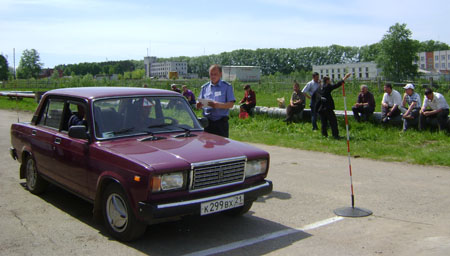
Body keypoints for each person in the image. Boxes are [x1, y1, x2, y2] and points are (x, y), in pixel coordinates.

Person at [197, 64, 236, 137]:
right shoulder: (205, 88)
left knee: (221, 147)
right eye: (211, 74)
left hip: (221, 123)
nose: (213, 76)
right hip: (207, 123)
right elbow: (199, 102)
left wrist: (217, 105)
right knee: (208, 146)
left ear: (220, 74)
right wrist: (199, 105)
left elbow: (231, 104)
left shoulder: (227, 86)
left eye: (215, 74)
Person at [315, 73, 351, 139]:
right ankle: (335, 135)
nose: (330, 82)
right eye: (329, 80)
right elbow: (337, 85)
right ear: (327, 81)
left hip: (320, 108)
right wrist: (345, 77)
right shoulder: (327, 87)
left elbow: (317, 96)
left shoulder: (319, 88)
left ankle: (324, 135)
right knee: (333, 122)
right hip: (327, 108)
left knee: (324, 123)